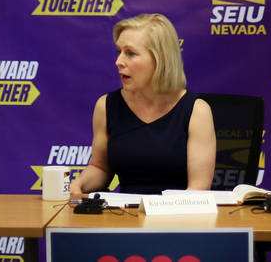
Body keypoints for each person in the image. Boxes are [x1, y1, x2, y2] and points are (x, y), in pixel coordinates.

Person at [69, 13, 216, 197]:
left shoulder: (197, 111)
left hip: (177, 219)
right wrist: (80, 183)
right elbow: (100, 168)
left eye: (130, 53)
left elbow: (198, 190)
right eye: (119, 52)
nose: (119, 61)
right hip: (124, 219)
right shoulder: (106, 106)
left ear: (160, 59)